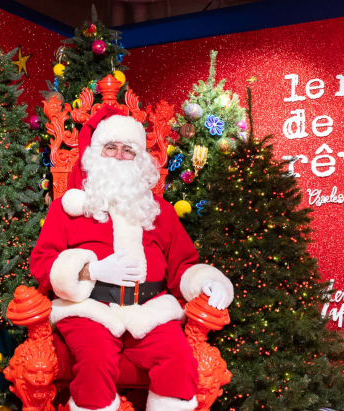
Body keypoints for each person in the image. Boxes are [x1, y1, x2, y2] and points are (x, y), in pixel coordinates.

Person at [30, 106, 234, 411]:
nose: (118, 156)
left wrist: (206, 282)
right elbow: (43, 262)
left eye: (128, 150)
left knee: (179, 362)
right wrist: (91, 271)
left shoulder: (160, 211)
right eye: (110, 147)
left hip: (149, 310)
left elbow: (183, 265)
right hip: (89, 309)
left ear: (139, 160)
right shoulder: (67, 208)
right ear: (95, 155)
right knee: (96, 361)